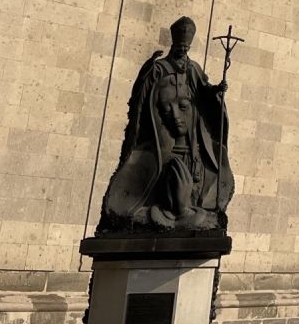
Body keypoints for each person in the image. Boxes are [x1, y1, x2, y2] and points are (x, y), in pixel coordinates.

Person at [99, 16, 232, 234]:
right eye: (180, 46)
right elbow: (141, 99)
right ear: (173, 45)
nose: (183, 50)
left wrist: (217, 90)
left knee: (192, 170)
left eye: (186, 47)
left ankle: (188, 207)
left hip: (190, 135)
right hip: (163, 135)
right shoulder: (160, 68)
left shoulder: (193, 68)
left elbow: (203, 91)